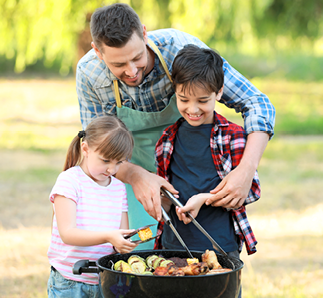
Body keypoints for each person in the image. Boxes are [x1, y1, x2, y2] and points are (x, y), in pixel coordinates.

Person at [76, 3, 275, 248]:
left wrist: (245, 171)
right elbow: (98, 148)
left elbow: (258, 103)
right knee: (142, 256)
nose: (131, 70)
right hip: (127, 174)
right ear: (98, 51)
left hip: (189, 171)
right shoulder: (89, 74)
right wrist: (137, 175)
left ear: (144, 33)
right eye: (118, 65)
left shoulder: (180, 49)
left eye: (137, 57)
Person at [155, 45, 261, 297]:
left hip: (220, 249)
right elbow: (164, 198)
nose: (193, 109)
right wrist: (159, 198)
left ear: (219, 92)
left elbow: (250, 191)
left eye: (203, 100)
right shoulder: (167, 139)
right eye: (183, 99)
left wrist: (204, 199)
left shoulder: (233, 136)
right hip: (173, 249)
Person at [47, 115, 138, 298]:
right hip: (70, 281)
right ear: (86, 148)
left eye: (119, 162)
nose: (111, 170)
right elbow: (68, 233)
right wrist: (108, 236)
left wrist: (125, 243)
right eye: (105, 161)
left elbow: (121, 233)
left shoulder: (119, 187)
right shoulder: (70, 181)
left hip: (106, 280)